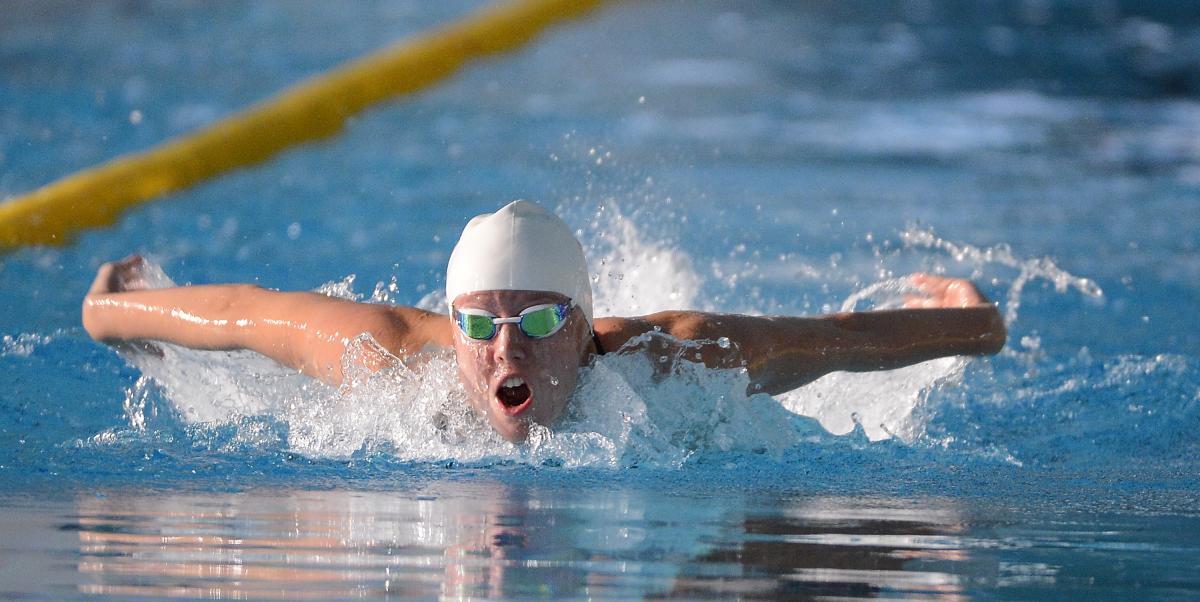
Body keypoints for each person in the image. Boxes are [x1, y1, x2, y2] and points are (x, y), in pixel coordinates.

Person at [82, 200, 1006, 442]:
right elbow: (243, 316)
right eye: (479, 326)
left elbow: (834, 343)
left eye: (540, 320)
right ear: (452, 329)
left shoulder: (675, 361)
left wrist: (974, 325)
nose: (508, 347)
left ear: (587, 326)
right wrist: (109, 311)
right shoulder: (392, 366)